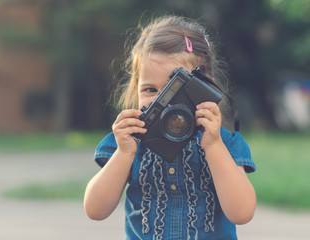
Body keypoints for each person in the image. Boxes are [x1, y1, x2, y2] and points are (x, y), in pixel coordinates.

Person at [84, 15, 256, 240]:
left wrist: (213, 146)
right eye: (150, 90)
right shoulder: (128, 143)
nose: (162, 102)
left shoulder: (226, 143)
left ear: (207, 87)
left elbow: (242, 213)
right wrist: (123, 153)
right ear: (135, 90)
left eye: (175, 89)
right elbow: (95, 210)